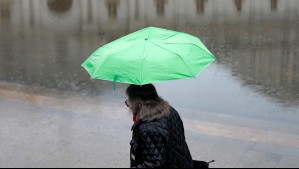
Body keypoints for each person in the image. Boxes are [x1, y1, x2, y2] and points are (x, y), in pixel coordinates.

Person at [125, 84, 194, 168]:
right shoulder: (169, 110)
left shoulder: (148, 129)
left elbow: (154, 164)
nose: (129, 106)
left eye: (129, 101)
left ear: (137, 103)